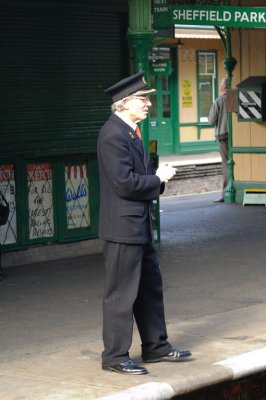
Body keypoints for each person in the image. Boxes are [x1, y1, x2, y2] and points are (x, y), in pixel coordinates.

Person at [97, 71, 192, 375]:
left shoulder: (130, 131)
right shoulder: (113, 135)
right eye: (143, 99)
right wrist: (157, 178)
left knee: (149, 287)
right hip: (122, 229)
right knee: (121, 293)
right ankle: (114, 356)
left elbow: (135, 179)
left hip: (137, 226)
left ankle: (156, 346)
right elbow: (124, 183)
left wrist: (156, 178)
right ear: (124, 103)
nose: (148, 103)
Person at [208, 77, 229, 203]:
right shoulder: (236, 99)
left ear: (223, 87)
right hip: (235, 136)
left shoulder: (219, 100)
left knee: (226, 165)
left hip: (223, 136)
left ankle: (225, 194)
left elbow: (211, 120)